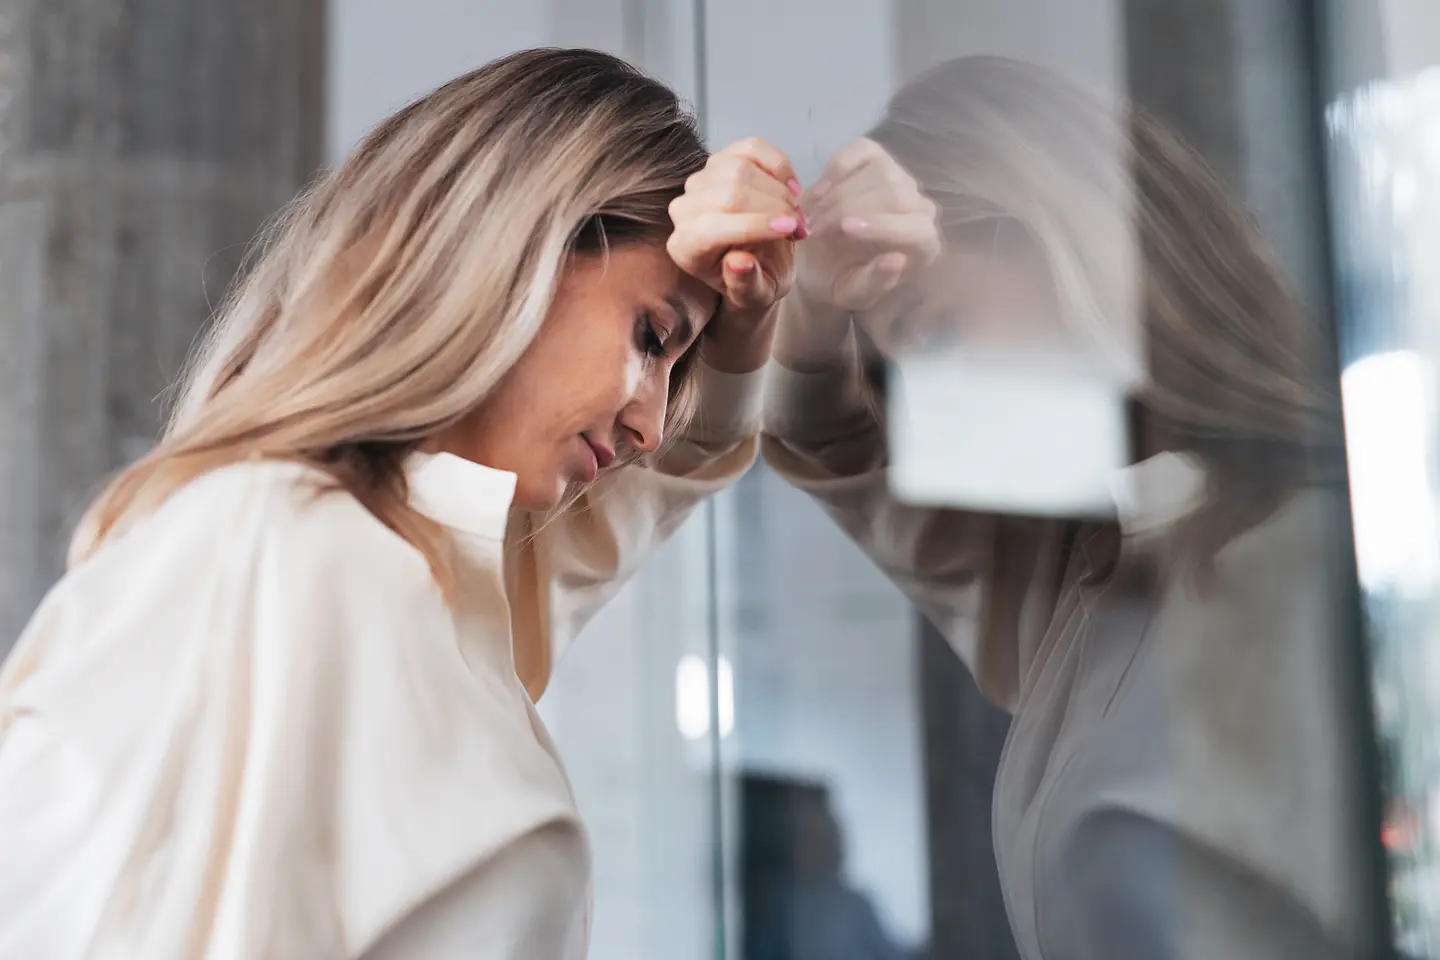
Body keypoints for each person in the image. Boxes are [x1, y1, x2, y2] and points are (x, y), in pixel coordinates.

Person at [0, 49, 805, 959]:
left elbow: (655, 484)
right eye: (652, 338)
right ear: (519, 247)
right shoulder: (271, 546)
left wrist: (742, 321)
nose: (651, 425)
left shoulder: (440, 584)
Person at [765, 56, 1377, 958]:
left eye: (937, 331)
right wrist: (811, 310)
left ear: (1066, 242)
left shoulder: (1326, 564)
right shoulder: (1081, 590)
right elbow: (829, 445)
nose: (930, 411)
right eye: (899, 378)